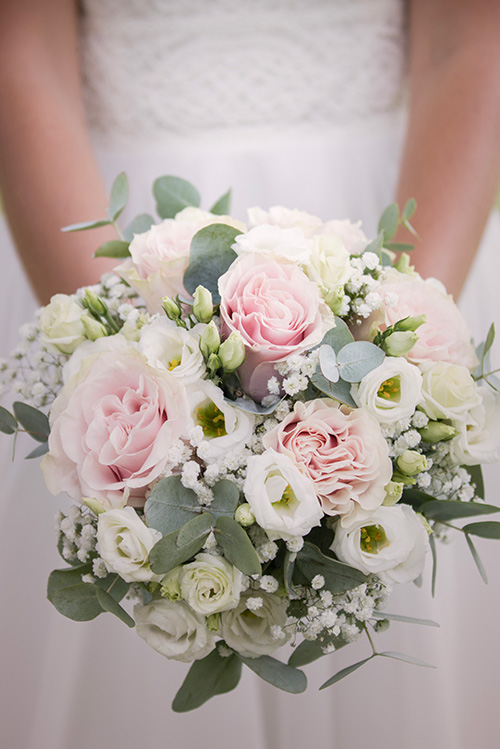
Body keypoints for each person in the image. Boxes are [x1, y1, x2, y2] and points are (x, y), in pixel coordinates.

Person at [0, 1, 499, 747]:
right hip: (109, 242)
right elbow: (21, 48)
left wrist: (398, 350)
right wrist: (119, 371)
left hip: (388, 230)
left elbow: (468, 41)